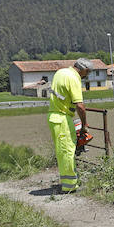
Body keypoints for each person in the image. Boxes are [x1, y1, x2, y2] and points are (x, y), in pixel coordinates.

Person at [47, 58, 90, 193]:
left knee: (62, 151)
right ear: (84, 70)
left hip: (54, 116)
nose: (87, 76)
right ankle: (70, 186)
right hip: (63, 119)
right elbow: (80, 106)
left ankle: (69, 183)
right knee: (68, 152)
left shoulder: (61, 72)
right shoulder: (74, 78)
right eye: (88, 72)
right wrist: (84, 125)